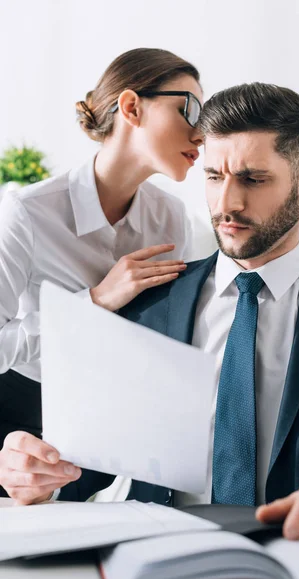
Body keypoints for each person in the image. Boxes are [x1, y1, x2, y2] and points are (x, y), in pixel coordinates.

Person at [1, 83, 299, 555]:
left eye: (253, 179)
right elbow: (89, 461)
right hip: (158, 561)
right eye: (213, 176)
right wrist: (38, 476)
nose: (226, 204)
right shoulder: (148, 302)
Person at [0, 48, 203, 471]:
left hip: (114, 424)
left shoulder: (172, 218)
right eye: (191, 109)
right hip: (15, 426)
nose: (202, 133)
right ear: (131, 107)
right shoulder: (28, 212)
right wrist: (94, 301)